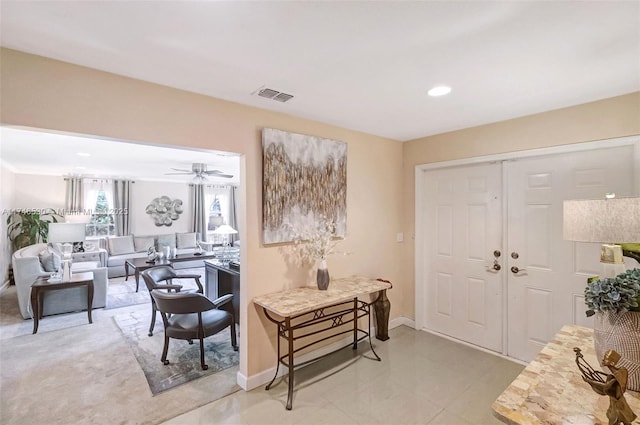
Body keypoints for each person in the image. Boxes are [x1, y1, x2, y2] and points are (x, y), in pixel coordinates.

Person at [582, 350, 637, 425]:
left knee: (614, 420)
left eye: (605, 358)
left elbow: (605, 387)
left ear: (611, 362)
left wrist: (589, 381)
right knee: (624, 419)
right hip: (617, 402)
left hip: (617, 404)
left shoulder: (619, 374)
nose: (603, 360)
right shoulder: (617, 374)